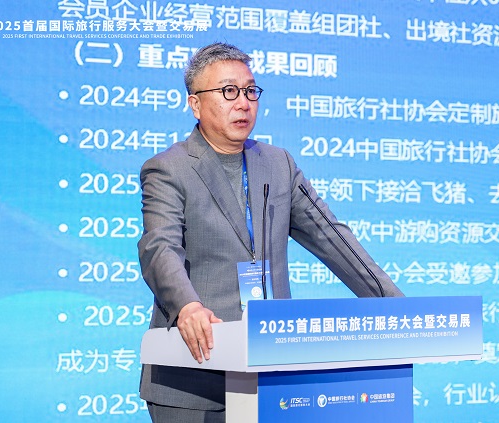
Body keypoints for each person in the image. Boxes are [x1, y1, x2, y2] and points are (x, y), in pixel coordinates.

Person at [137, 42, 404, 422]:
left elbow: (331, 237)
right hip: (192, 376)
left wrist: (394, 305)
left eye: (250, 91)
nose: (243, 103)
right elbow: (159, 247)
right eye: (229, 91)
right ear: (195, 104)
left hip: (271, 371)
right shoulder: (169, 168)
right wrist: (187, 306)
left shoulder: (278, 165)